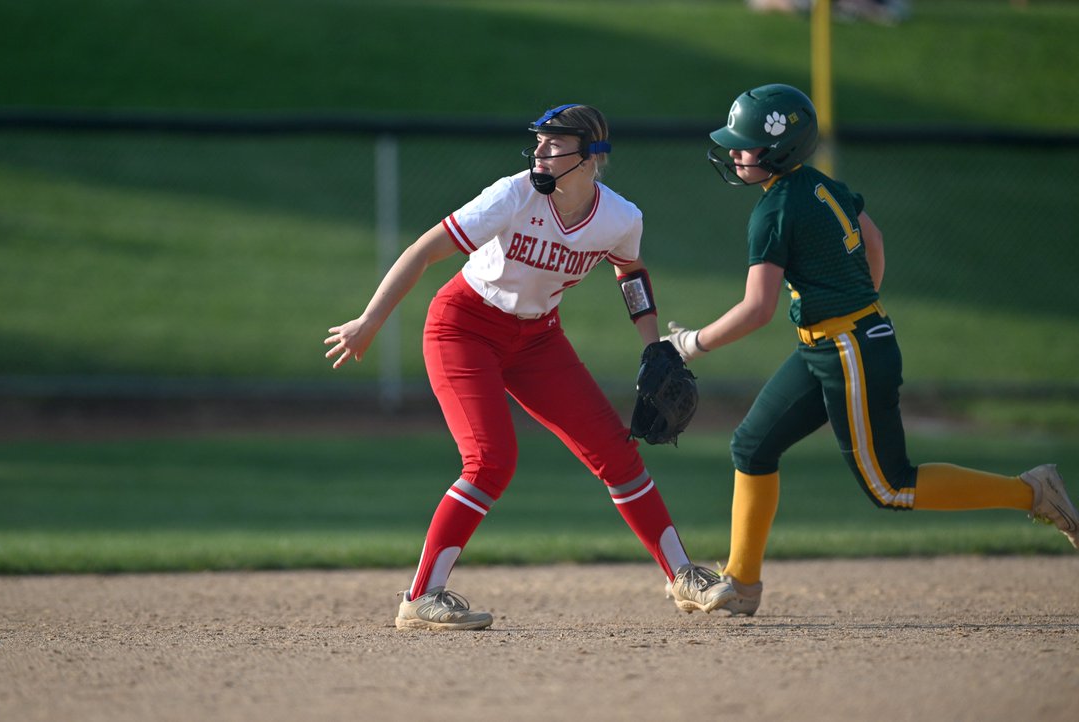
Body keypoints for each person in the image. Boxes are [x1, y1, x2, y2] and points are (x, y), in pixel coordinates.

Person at [664, 83, 1079, 616]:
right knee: (752, 446)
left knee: (890, 486)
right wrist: (860, 305)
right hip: (834, 344)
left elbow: (758, 308)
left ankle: (1033, 491)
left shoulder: (772, 211)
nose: (736, 153)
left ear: (781, 150)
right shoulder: (822, 184)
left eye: (747, 144)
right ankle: (741, 583)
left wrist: (691, 343)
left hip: (848, 351)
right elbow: (873, 240)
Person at [325, 104, 727, 630]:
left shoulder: (620, 217)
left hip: (538, 339)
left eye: (554, 143)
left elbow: (630, 272)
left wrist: (653, 346)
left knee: (616, 453)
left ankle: (683, 576)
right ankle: (421, 597)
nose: (539, 151)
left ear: (590, 156)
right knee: (490, 461)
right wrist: (369, 320)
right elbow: (424, 250)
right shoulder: (513, 195)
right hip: (463, 328)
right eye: (538, 141)